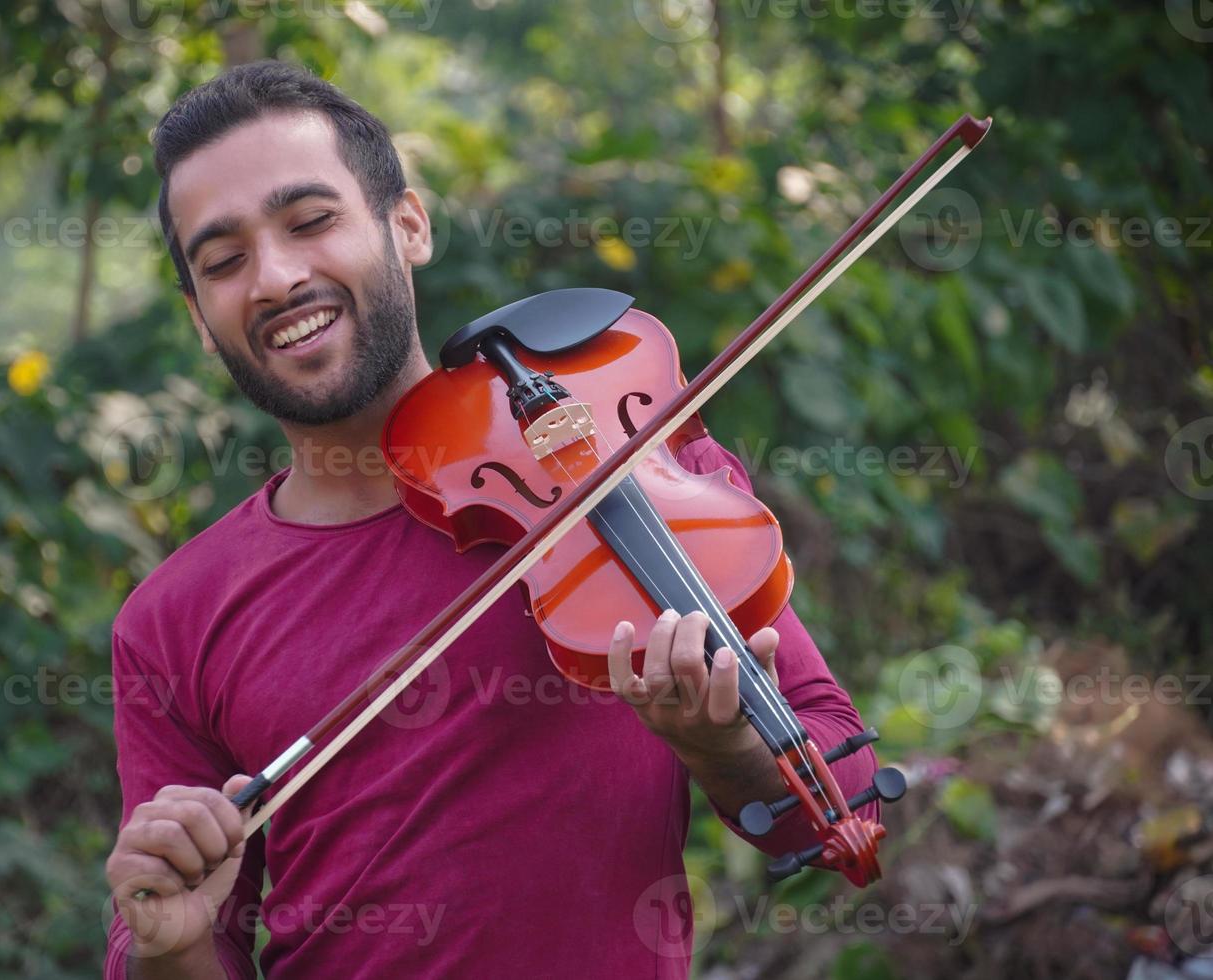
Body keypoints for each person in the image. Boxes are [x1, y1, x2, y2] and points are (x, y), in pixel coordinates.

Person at [103, 60, 877, 979]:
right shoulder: (172, 620)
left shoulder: (622, 466)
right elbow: (179, 947)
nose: (274, 277)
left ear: (408, 225)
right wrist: (175, 940)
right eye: (224, 261)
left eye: (311, 222)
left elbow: (842, 786)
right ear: (200, 317)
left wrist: (724, 743)